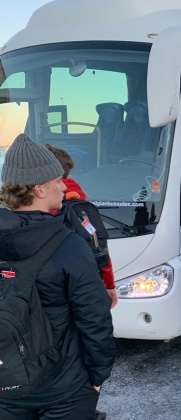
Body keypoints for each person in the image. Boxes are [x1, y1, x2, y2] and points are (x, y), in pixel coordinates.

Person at [0, 134, 115, 418]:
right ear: (39, 189)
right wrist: (98, 377)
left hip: (7, 385)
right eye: (56, 181)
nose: (64, 186)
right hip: (64, 388)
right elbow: (94, 316)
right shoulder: (69, 245)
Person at [45, 143, 118, 309]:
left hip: (54, 291)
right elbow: (99, 247)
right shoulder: (83, 207)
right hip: (86, 287)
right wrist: (109, 285)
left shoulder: (46, 206)